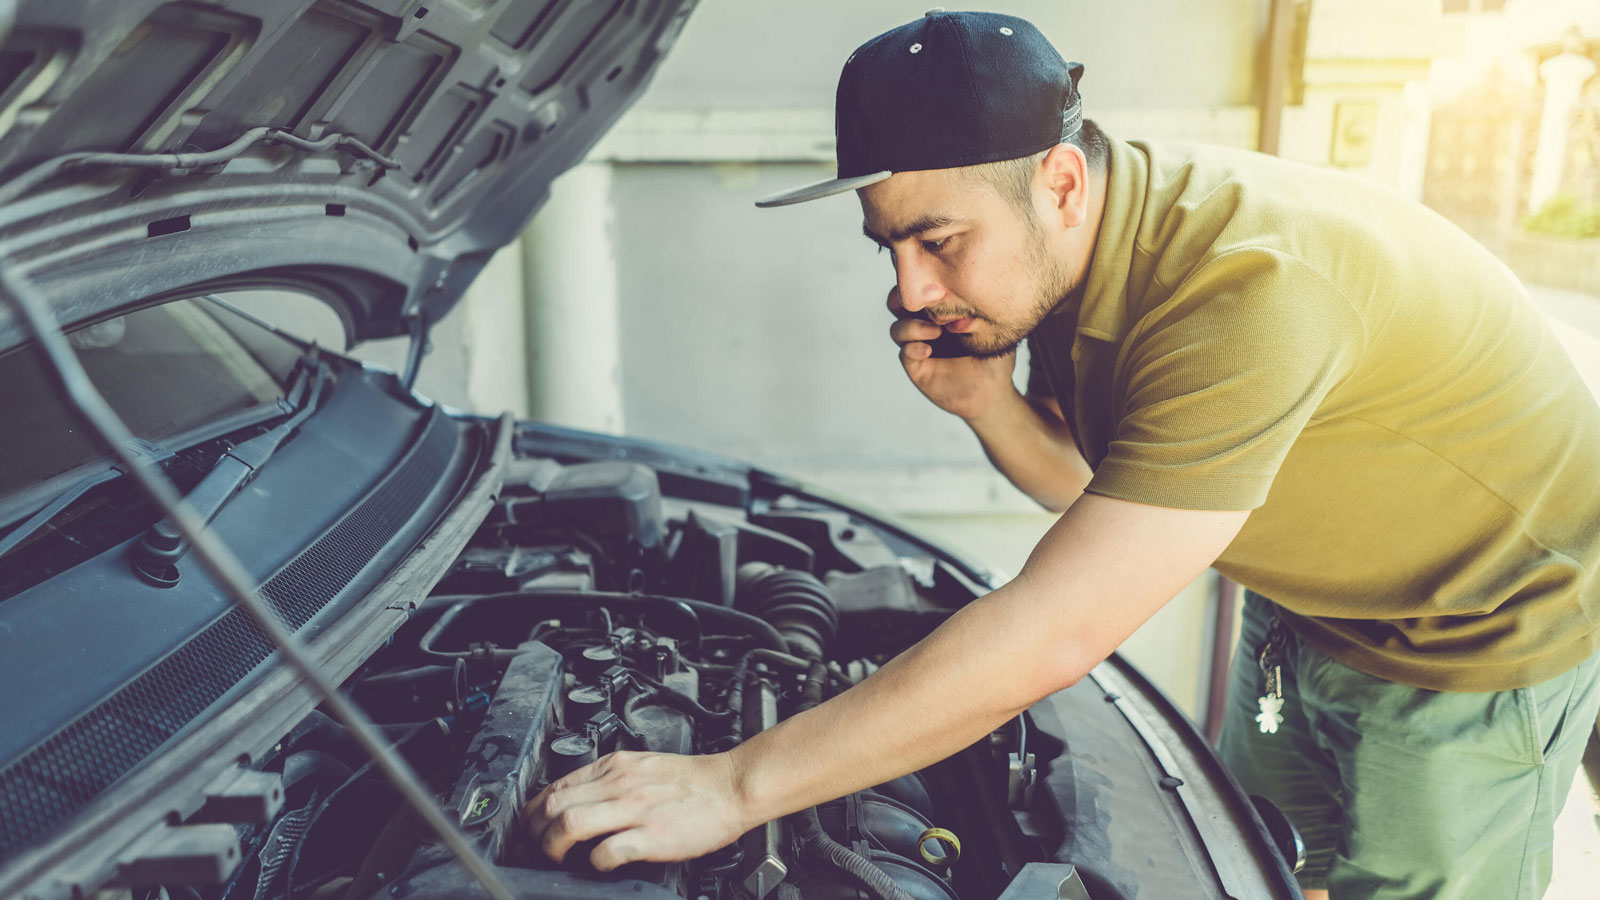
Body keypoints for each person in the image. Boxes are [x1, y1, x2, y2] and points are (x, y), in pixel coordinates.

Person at [525, 11, 1600, 899]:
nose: (906, 289)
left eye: (938, 240)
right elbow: (1095, 492)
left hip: (1468, 650)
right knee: (1270, 859)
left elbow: (1057, 629)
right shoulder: (1069, 257)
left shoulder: (1242, 297)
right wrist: (988, 403)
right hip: (1303, 620)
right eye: (888, 243)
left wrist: (738, 782)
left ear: (1061, 185)